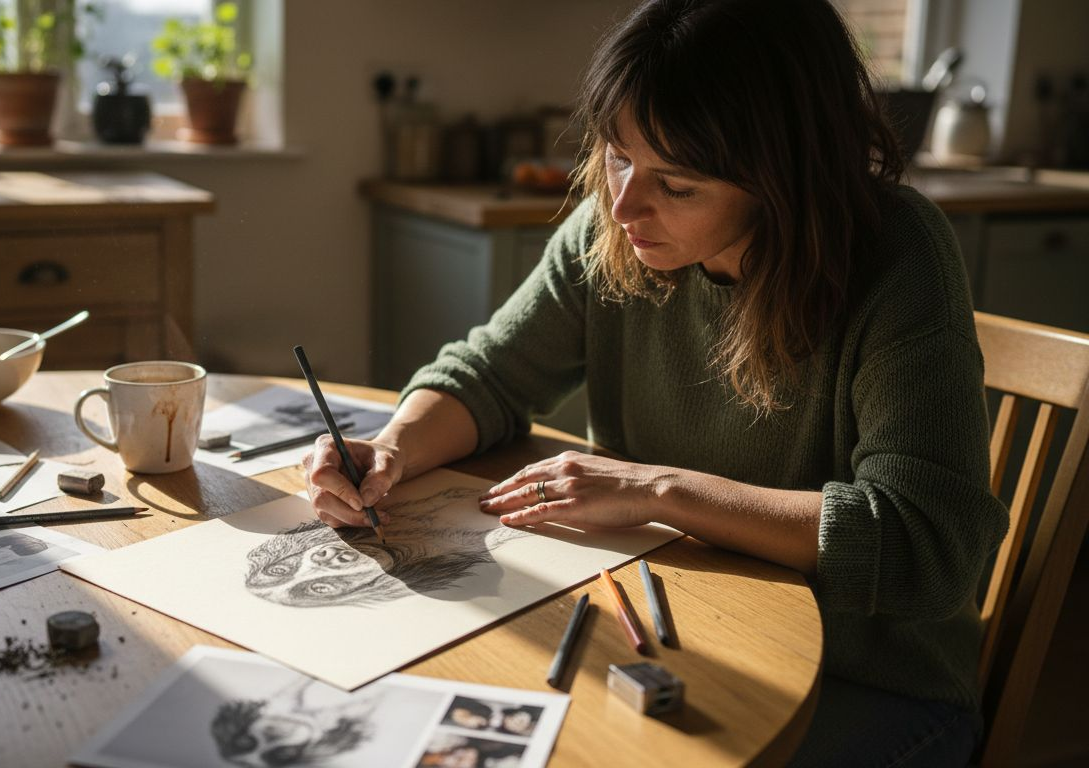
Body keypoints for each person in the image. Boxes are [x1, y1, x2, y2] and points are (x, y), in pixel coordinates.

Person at [304, 0, 1008, 764]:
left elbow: (927, 544)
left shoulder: (895, 259)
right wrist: (393, 449)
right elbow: (488, 375)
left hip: (869, 684)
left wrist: (659, 490)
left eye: (678, 185)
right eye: (616, 154)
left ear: (787, 181)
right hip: (679, 630)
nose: (624, 202)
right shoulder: (615, 235)